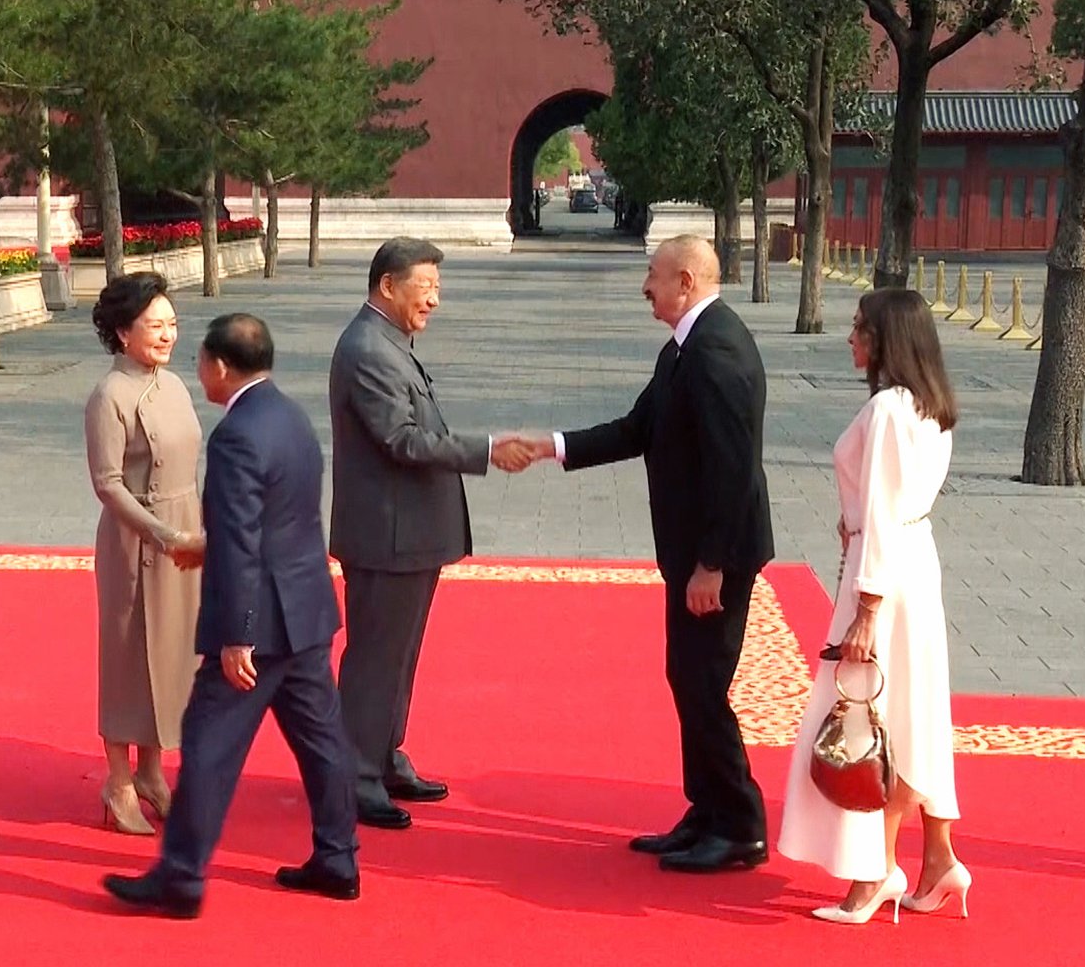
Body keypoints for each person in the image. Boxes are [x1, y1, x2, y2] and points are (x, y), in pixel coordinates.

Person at [522, 234, 774, 874]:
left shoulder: (717, 352)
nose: (645, 288)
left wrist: (711, 564)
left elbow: (734, 469)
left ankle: (740, 823)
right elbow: (639, 429)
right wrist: (552, 445)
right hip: (692, 555)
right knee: (687, 679)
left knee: (702, 683)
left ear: (685, 281)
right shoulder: (684, 349)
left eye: (654, 277)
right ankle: (708, 808)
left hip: (713, 561)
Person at [103, 314, 360, 918]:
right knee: (323, 745)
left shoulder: (237, 434)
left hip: (258, 628)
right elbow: (280, 524)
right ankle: (338, 857)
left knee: (208, 744)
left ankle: (181, 876)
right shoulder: (291, 418)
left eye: (200, 361)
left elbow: (245, 539)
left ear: (219, 366)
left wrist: (238, 635)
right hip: (305, 612)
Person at [329, 237, 534, 830]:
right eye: (427, 288)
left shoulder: (390, 342)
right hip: (386, 534)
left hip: (408, 532)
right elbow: (403, 440)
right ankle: (356, 775)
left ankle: (384, 756)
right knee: (375, 658)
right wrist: (489, 449)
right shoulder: (369, 347)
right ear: (388, 286)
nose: (435, 301)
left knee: (400, 655)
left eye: (438, 289)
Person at [776, 289, 965, 924]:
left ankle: (876, 870)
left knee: (869, 721)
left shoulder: (888, 408)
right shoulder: (930, 404)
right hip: (915, 559)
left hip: (883, 571)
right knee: (914, 714)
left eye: (860, 328)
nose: (851, 338)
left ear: (888, 339)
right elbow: (893, 503)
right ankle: (938, 857)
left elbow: (882, 510)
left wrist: (866, 608)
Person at [85, 273, 203, 835]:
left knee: (175, 656)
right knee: (130, 659)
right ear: (122, 332)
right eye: (155, 325)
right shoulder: (109, 395)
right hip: (138, 541)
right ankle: (120, 780)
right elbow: (108, 484)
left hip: (185, 534)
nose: (167, 335)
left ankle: (155, 772)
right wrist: (163, 533)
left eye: (172, 324)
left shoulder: (175, 385)